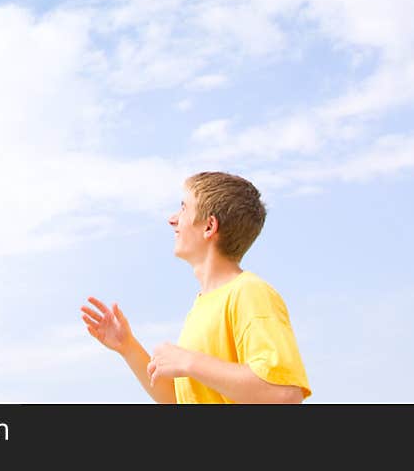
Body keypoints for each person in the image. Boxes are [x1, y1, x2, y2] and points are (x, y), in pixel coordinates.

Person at [81, 170, 311, 404]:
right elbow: (179, 398)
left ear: (209, 226)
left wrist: (189, 362)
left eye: (183, 208)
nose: (172, 219)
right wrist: (127, 346)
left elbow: (284, 394)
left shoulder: (249, 292)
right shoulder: (203, 305)